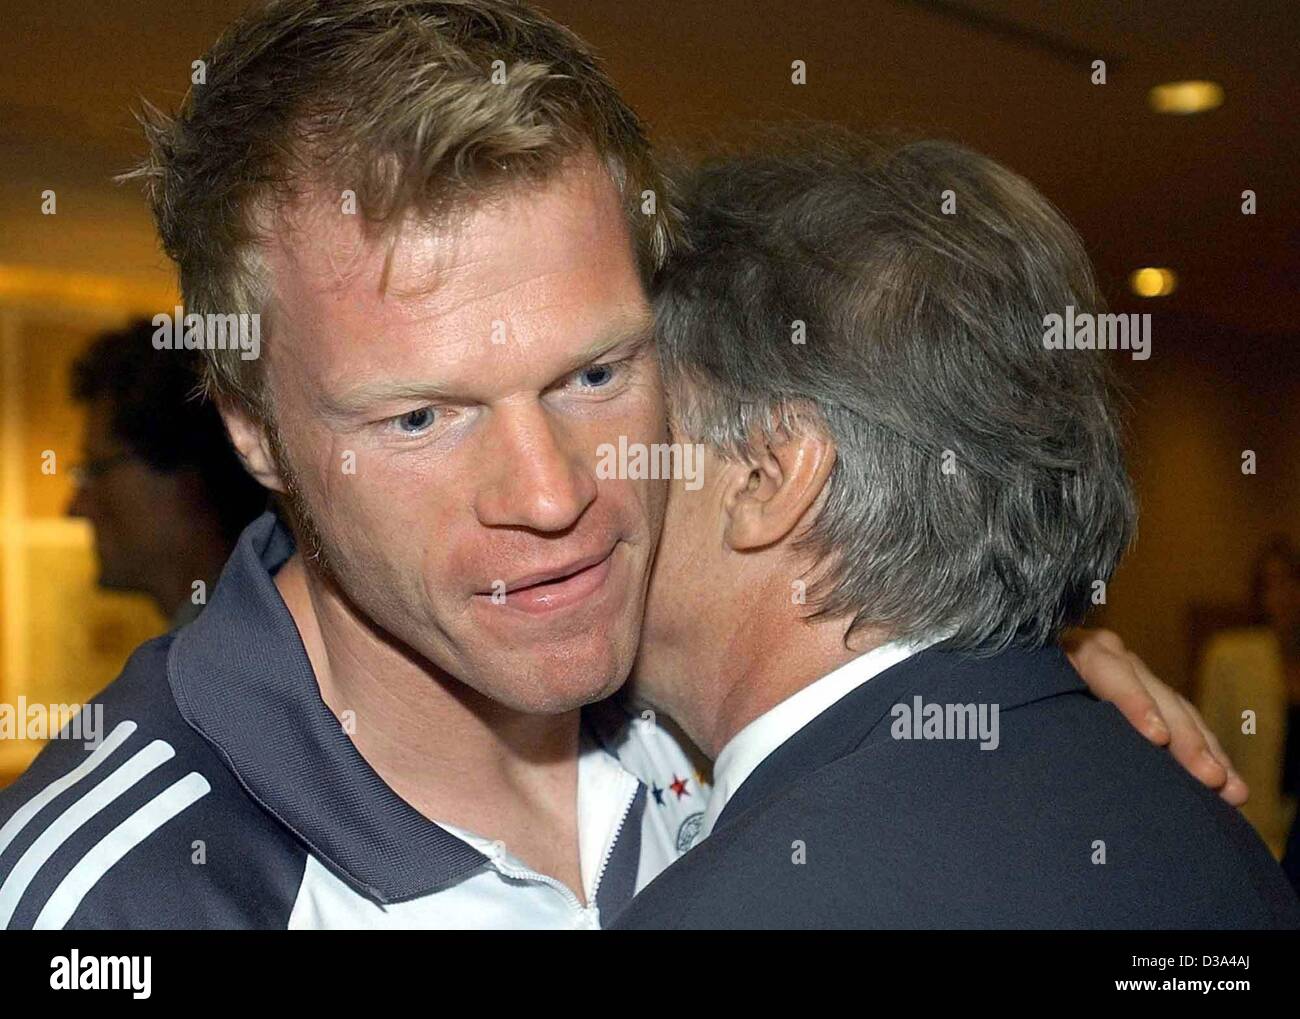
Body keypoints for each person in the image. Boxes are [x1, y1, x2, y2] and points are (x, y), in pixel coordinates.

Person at [0, 0, 1246, 929]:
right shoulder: (118, 897)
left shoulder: (702, 694)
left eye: (594, 374)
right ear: (254, 428)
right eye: (422, 418)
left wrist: (1027, 673)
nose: (553, 497)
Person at [612, 136, 1300, 929]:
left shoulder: (745, 904)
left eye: (628, 413)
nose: (571, 482)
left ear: (767, 476)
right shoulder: (1209, 832)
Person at [67, 320, 266, 628]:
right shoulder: (244, 629)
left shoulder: (226, 655)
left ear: (184, 479)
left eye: (96, 470)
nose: (75, 507)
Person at [1199, 537, 1300, 857]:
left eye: (1291, 582)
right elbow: (1211, 757)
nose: (1284, 597)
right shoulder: (1232, 658)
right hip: (1252, 836)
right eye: (1272, 585)